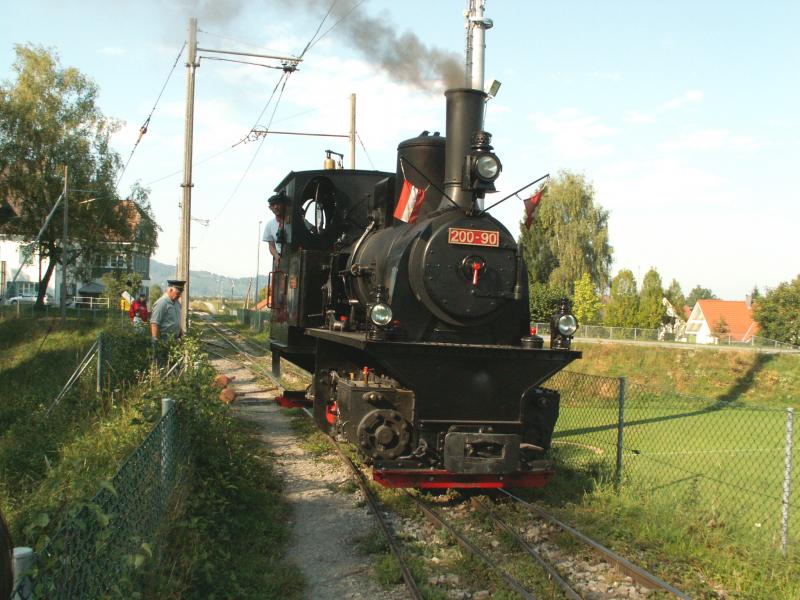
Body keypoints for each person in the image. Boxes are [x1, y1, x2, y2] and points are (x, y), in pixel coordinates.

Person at [262, 192, 290, 270]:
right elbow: (271, 246)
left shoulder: (295, 220)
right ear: (270, 208)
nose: (276, 207)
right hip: (280, 260)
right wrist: (276, 256)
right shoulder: (269, 225)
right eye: (273, 205)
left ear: (282, 205)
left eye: (278, 204)